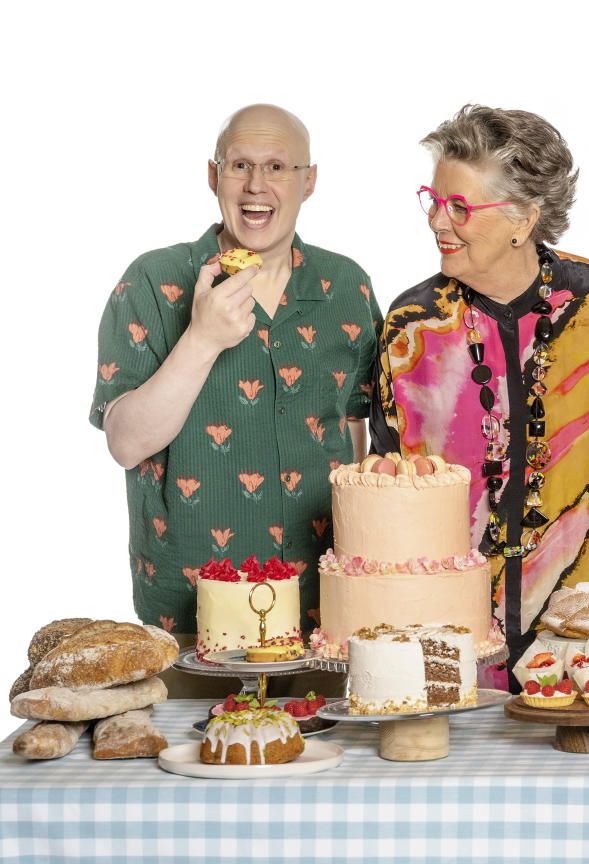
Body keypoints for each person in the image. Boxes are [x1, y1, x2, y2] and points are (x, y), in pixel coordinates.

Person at [370, 105, 589, 690]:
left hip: (585, 652)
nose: (439, 221)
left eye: (460, 207)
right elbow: (387, 501)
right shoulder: (412, 326)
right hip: (443, 653)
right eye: (433, 199)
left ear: (524, 218)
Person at [91, 104, 381, 694]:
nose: (256, 185)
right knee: (198, 774)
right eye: (239, 166)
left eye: (277, 166)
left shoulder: (346, 286)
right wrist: (202, 339)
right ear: (212, 176)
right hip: (188, 619)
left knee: (327, 774)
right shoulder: (152, 280)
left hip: (323, 617)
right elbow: (125, 442)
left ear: (309, 180)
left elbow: (354, 432)